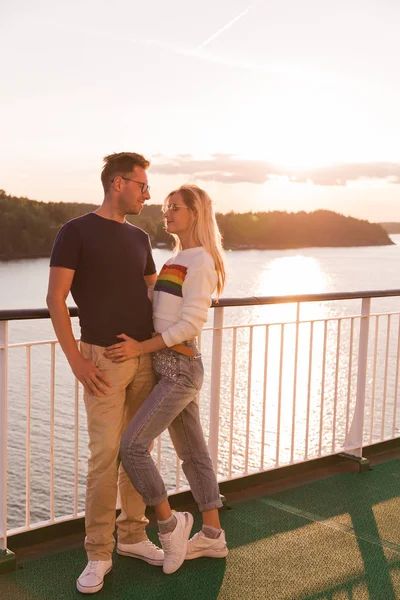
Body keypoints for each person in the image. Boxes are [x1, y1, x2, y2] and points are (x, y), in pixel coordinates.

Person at [46, 152, 164, 595]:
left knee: (137, 451)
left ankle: (133, 535)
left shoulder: (141, 238)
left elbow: (157, 296)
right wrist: (77, 362)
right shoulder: (74, 232)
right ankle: (98, 551)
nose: (147, 194)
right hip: (102, 361)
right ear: (118, 183)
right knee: (103, 458)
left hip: (144, 358)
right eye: (142, 185)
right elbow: (56, 298)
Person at [104, 184, 228, 575]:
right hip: (168, 365)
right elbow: (160, 311)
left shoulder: (202, 261)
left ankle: (170, 524)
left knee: (132, 446)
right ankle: (213, 535)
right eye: (164, 207)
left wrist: (141, 349)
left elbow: (191, 322)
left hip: (180, 369)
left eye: (174, 207)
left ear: (195, 212)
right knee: (194, 454)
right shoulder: (178, 257)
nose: (166, 213)